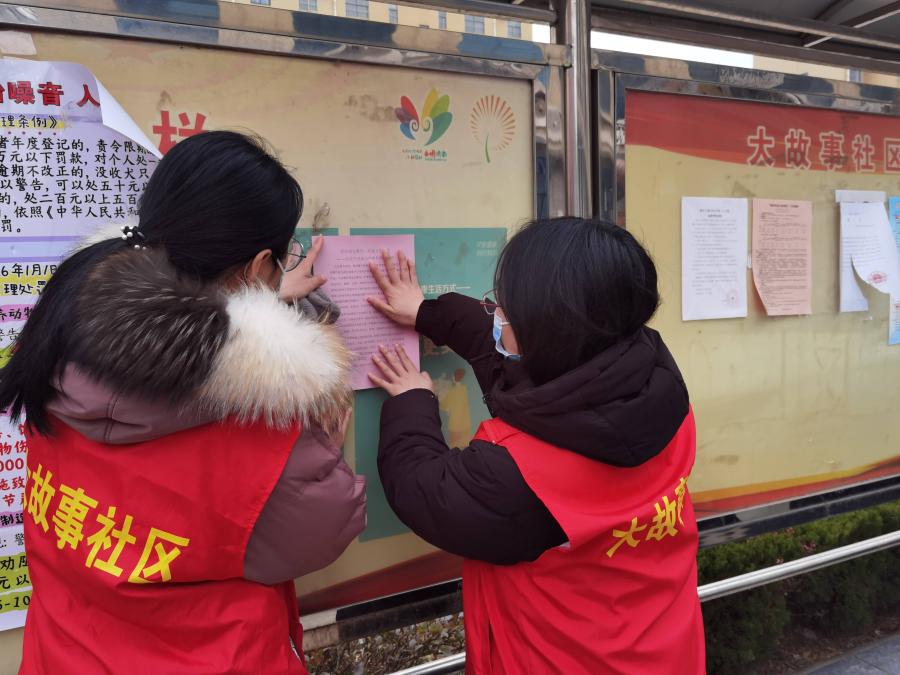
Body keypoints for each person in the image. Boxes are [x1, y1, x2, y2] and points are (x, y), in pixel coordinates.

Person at [0, 131, 366, 675]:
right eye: (281, 259)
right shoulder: (265, 425)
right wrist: (325, 446)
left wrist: (253, 296)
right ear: (257, 266)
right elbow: (330, 526)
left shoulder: (59, 341)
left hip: (63, 654)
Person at [366, 217, 704, 674]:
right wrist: (428, 312)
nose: (495, 316)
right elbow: (524, 370)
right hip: (668, 653)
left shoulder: (518, 476)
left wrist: (412, 401)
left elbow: (420, 487)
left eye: (503, 308)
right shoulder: (658, 392)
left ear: (543, 331)